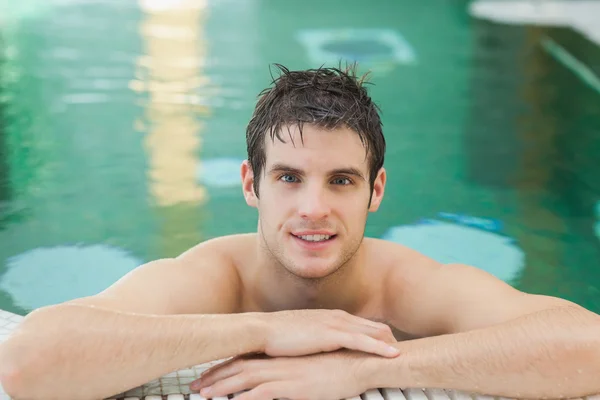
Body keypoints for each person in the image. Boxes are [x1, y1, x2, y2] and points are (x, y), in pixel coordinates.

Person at [1, 64, 599, 400]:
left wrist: (363, 370)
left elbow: (588, 346)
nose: (313, 208)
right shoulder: (215, 278)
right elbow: (27, 361)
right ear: (250, 185)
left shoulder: (406, 285)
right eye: (289, 176)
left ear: (377, 190)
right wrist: (266, 328)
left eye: (341, 180)